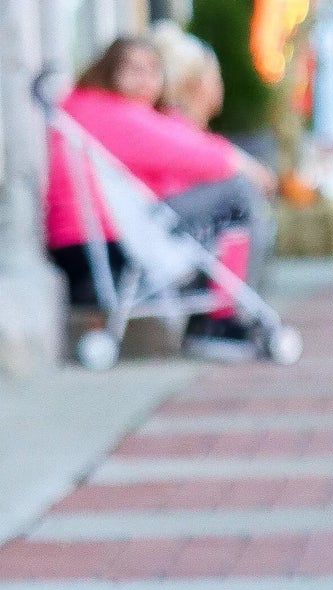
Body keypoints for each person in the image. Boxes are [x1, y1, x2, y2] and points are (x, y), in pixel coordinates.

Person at [45, 35, 275, 361]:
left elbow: (173, 138)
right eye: (134, 70)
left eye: (154, 71)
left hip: (87, 245)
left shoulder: (87, 108)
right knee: (237, 192)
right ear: (109, 71)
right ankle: (220, 317)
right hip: (106, 249)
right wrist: (244, 164)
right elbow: (187, 150)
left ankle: (217, 312)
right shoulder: (109, 112)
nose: (146, 81)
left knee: (214, 202)